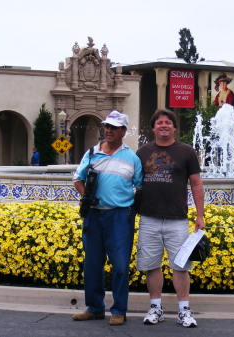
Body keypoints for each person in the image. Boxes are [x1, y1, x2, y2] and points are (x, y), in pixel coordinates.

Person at [72, 110, 142, 326]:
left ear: (123, 131)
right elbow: (77, 179)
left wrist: (131, 210)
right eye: (107, 127)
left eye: (114, 127)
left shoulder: (132, 158)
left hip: (120, 217)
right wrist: (88, 198)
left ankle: (119, 310)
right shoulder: (92, 153)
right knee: (92, 264)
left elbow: (139, 186)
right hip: (94, 215)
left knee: (120, 265)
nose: (109, 130)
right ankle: (94, 308)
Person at [136, 109, 205, 328]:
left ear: (174, 127)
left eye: (168, 123)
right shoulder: (142, 153)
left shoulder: (186, 152)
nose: (164, 126)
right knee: (151, 265)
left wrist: (200, 216)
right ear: (153, 127)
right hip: (149, 217)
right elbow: (133, 184)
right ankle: (156, 307)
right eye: (159, 123)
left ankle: (184, 310)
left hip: (177, 219)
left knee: (181, 266)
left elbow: (196, 184)